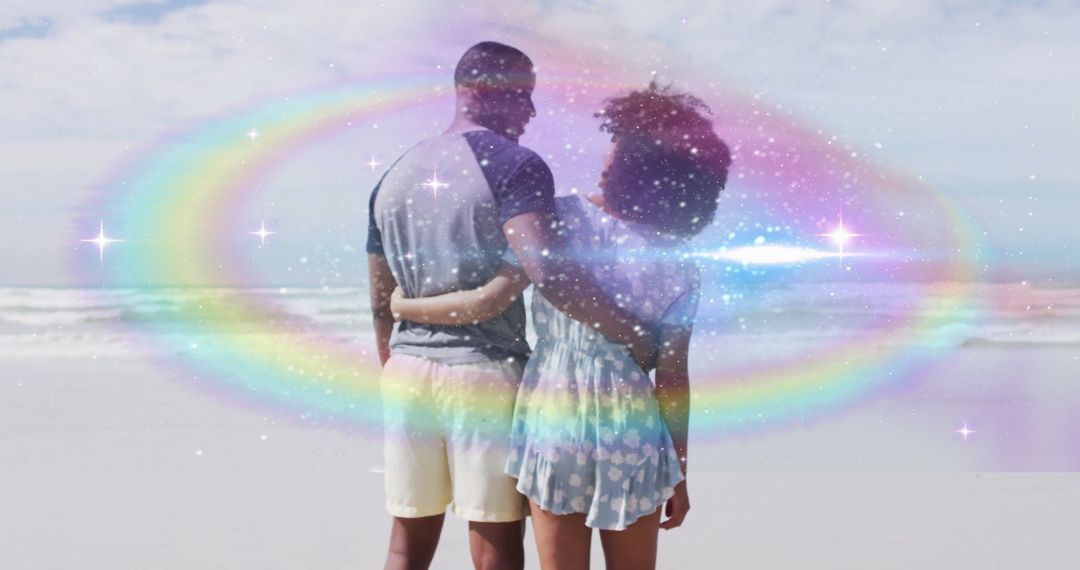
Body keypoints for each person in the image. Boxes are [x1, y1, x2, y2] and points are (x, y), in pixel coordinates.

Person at [390, 82, 731, 569]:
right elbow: (672, 377)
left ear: (635, 161)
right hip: (631, 429)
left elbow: (489, 299)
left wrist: (406, 307)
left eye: (619, 143)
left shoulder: (557, 220)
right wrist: (679, 469)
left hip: (555, 416)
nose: (608, 152)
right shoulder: (678, 263)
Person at [366, 41, 657, 570]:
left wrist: (394, 358)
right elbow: (547, 275)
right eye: (520, 96)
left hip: (406, 374)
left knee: (405, 541)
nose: (530, 111)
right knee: (495, 542)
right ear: (478, 90)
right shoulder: (516, 165)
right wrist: (630, 331)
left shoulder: (393, 174)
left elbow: (381, 294)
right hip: (484, 373)